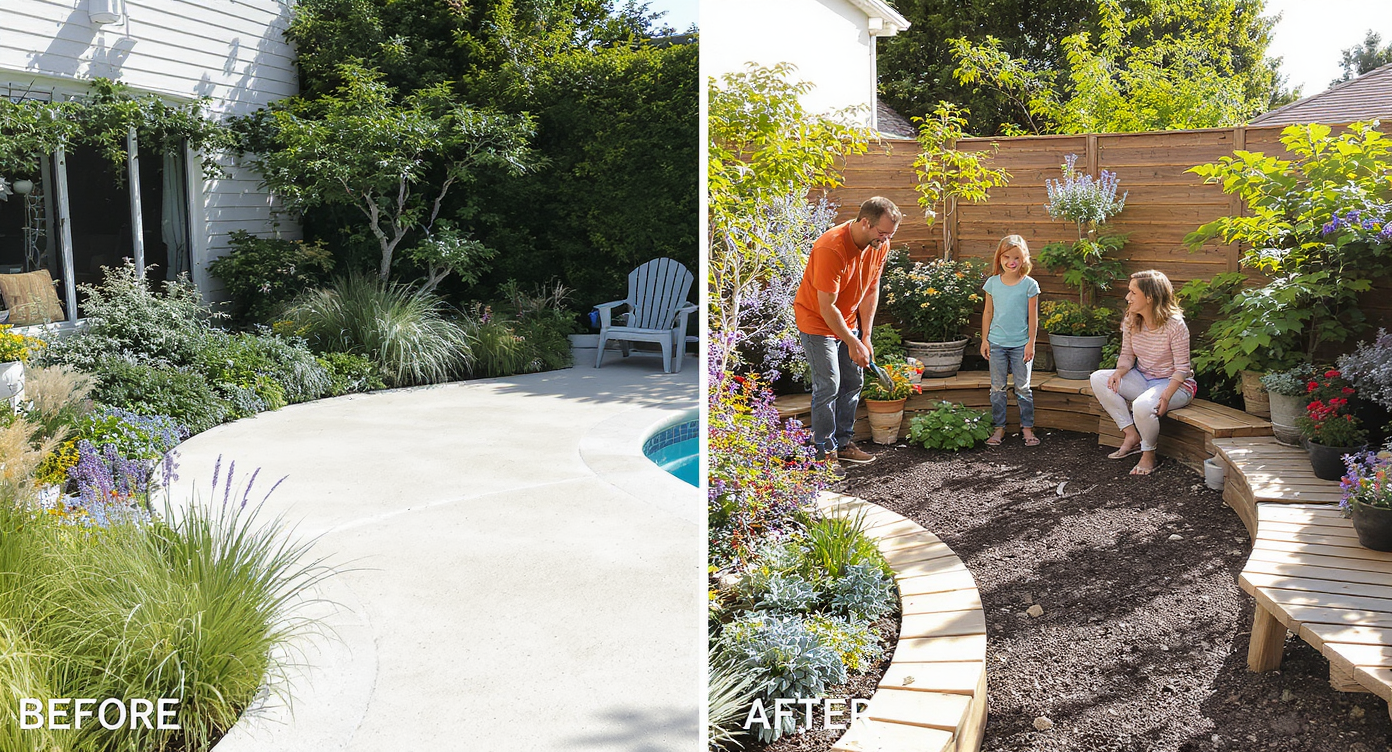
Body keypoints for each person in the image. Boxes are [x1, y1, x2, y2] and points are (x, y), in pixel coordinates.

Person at [794, 196, 902, 471]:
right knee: (829, 385)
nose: (886, 239)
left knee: (853, 381)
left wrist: (865, 336)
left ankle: (843, 444)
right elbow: (826, 307)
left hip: (848, 319)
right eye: (883, 232)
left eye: (890, 234)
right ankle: (823, 451)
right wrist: (852, 341)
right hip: (817, 321)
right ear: (865, 222)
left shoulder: (879, 245)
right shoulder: (831, 248)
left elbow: (871, 289)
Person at [1089, 270, 1198, 476]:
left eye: (1133, 292)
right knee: (1099, 378)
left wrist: (1166, 396)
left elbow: (1182, 369)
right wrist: (1120, 372)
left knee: (1142, 405)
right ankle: (1131, 434)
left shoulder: (1175, 325)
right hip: (1144, 378)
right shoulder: (1131, 319)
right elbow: (1127, 355)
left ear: (1150, 297)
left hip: (1176, 385)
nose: (1127, 297)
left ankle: (1149, 454)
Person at [980, 235, 1041, 447]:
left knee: (1023, 388)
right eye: (1006, 257)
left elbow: (1033, 318)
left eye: (1016, 257)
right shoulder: (992, 283)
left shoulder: (1030, 285)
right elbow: (988, 313)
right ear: (999, 258)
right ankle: (999, 427)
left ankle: (1027, 428)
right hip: (996, 344)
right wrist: (984, 340)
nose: (1011, 262)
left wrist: (1031, 343)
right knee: (997, 388)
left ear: (1024, 258)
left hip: (1021, 345)